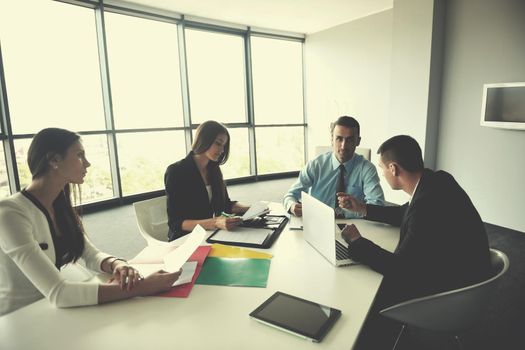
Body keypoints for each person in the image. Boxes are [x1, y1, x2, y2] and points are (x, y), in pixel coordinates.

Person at [0, 128, 181, 316]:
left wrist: (117, 264)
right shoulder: (10, 213)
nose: (87, 163)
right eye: (79, 155)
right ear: (54, 160)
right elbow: (60, 293)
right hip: (20, 317)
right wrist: (142, 287)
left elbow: (89, 254)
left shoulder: (60, 206)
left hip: (54, 311)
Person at [338, 135, 491, 349]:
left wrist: (357, 242)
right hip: (470, 275)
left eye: (382, 168)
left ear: (394, 169)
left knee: (369, 291)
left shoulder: (426, 206)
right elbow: (406, 213)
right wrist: (363, 208)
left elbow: (400, 270)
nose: (382, 173)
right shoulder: (437, 181)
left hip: (453, 295)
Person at [284, 116, 384, 218]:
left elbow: (378, 206)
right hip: (319, 223)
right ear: (332, 139)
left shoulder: (367, 169)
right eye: (339, 139)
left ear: (358, 141)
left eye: (349, 140)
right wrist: (292, 206)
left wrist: (358, 207)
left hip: (355, 227)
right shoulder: (315, 165)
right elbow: (290, 195)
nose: (343, 146)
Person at [164, 120, 249, 241]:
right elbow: (176, 223)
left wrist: (252, 209)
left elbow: (226, 205)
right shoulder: (176, 171)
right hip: (186, 239)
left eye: (224, 145)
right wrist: (215, 223)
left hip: (209, 234)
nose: (222, 150)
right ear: (204, 140)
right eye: (218, 143)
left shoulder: (214, 170)